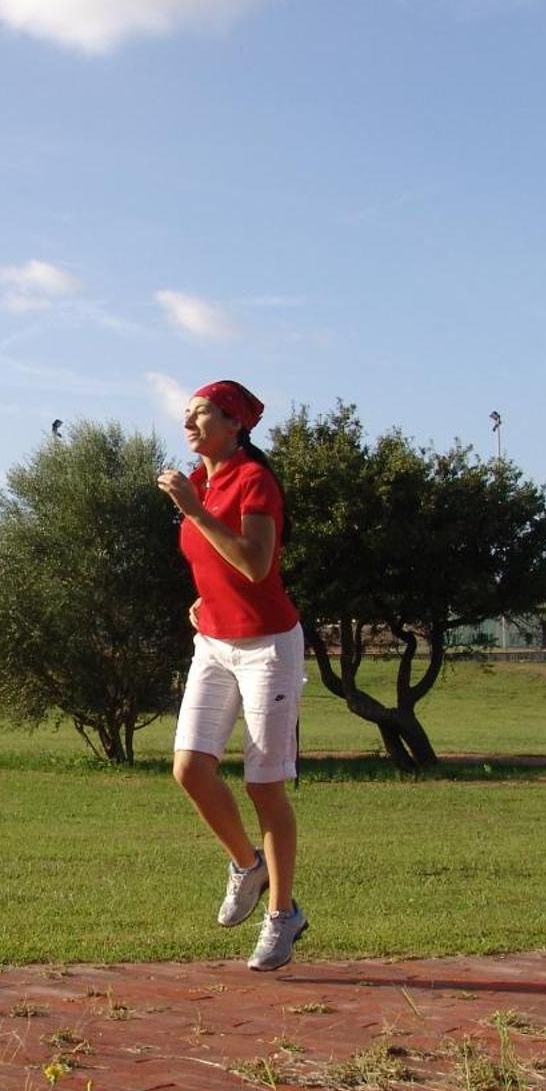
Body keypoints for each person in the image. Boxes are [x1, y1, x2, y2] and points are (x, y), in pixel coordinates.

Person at [157, 380, 309, 972]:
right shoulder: (201, 482)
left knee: (263, 784)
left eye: (202, 414)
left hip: (268, 647)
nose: (190, 423)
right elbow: (212, 567)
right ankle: (248, 864)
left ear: (234, 424)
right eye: (188, 414)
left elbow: (254, 563)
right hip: (214, 643)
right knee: (190, 768)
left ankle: (283, 914)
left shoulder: (252, 480)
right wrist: (202, 602)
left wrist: (193, 512)